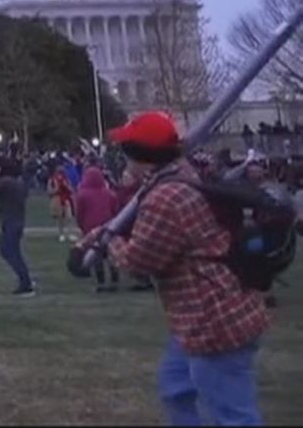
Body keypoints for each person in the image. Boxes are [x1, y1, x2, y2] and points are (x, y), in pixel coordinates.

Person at [88, 111, 269, 426]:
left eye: (127, 152)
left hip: (212, 318)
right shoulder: (179, 174)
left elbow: (138, 263)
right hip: (203, 313)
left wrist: (109, 241)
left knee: (234, 417)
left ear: (140, 157)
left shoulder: (166, 196)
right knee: (176, 389)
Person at [0, 154, 35, 297]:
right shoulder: (18, 182)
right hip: (18, 220)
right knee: (14, 252)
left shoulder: (4, 182)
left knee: (8, 252)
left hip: (9, 221)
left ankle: (25, 281)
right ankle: (25, 279)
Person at [74, 166, 120, 292]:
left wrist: (82, 226)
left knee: (96, 255)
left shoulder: (82, 194)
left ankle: (101, 282)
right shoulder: (110, 194)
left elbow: (79, 213)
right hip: (109, 227)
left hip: (91, 228)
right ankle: (115, 281)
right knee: (111, 255)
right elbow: (115, 211)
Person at [49, 166, 75, 242]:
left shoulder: (66, 180)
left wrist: (67, 186)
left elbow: (71, 190)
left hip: (66, 199)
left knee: (69, 217)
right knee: (60, 218)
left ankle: (70, 234)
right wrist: (56, 189)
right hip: (58, 200)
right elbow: (50, 192)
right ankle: (61, 234)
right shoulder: (52, 180)